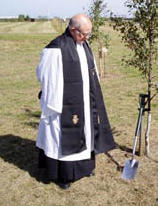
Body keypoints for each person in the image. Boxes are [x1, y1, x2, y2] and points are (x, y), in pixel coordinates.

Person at [36, 13, 116, 190]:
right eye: (83, 34)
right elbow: (44, 75)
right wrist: (54, 102)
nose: (86, 38)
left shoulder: (84, 45)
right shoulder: (55, 48)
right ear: (72, 30)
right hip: (63, 106)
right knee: (63, 136)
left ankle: (84, 168)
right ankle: (63, 175)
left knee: (86, 132)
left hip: (84, 101)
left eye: (89, 34)